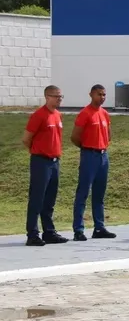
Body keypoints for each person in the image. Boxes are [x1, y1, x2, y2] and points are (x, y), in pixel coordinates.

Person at [23, 86, 69, 246]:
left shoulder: (57, 115)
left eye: (60, 96)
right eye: (56, 96)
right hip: (40, 161)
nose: (59, 99)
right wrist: (36, 151)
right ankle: (32, 234)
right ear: (47, 97)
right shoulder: (38, 115)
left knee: (50, 199)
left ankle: (49, 232)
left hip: (55, 162)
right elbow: (26, 138)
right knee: (37, 198)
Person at [70, 84, 116, 241]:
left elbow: (108, 135)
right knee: (83, 192)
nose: (102, 97)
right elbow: (75, 137)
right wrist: (87, 148)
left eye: (104, 95)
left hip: (103, 156)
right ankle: (78, 229)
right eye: (99, 94)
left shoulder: (104, 114)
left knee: (99, 194)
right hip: (89, 155)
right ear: (91, 94)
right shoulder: (85, 113)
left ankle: (99, 227)